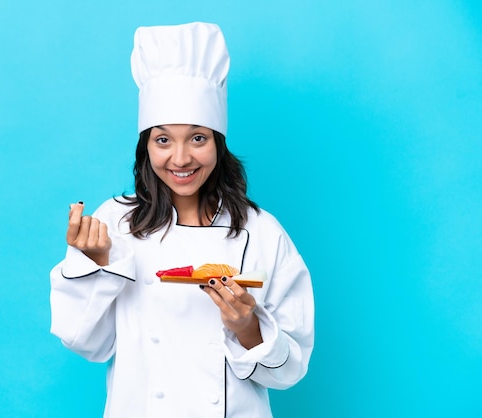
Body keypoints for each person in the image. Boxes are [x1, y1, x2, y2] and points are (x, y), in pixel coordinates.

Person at [50, 22, 314, 418]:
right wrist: (98, 264)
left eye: (197, 138)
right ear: (146, 147)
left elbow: (290, 371)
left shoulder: (262, 232)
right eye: (163, 140)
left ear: (218, 143)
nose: (180, 159)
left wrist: (247, 327)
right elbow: (88, 343)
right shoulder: (116, 222)